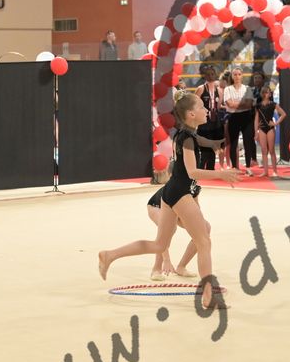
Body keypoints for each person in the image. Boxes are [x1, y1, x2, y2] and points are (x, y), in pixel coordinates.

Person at [98, 93, 241, 299]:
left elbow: (200, 142)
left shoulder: (184, 134)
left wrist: (216, 144)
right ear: (191, 114)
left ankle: (109, 255)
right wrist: (221, 174)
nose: (206, 110)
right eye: (202, 107)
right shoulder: (188, 138)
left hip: (171, 192)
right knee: (204, 242)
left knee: (160, 245)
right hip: (181, 192)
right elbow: (192, 172)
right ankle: (208, 295)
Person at [223, 66, 256, 171]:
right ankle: (234, 167)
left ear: (242, 76)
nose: (237, 76)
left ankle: (248, 167)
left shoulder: (247, 88)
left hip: (246, 116)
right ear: (232, 76)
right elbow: (230, 104)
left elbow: (249, 104)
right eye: (235, 74)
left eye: (239, 74)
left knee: (247, 142)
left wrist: (236, 104)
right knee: (233, 143)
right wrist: (242, 103)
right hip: (233, 117)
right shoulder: (227, 89)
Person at [254, 86, 285, 177]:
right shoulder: (258, 105)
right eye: (267, 92)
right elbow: (256, 119)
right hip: (262, 128)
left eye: (270, 92)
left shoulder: (273, 104)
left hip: (270, 128)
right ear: (263, 93)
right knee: (264, 150)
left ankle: (275, 171)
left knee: (271, 150)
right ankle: (265, 171)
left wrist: (276, 123)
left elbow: (283, 114)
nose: (269, 93)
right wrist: (256, 131)